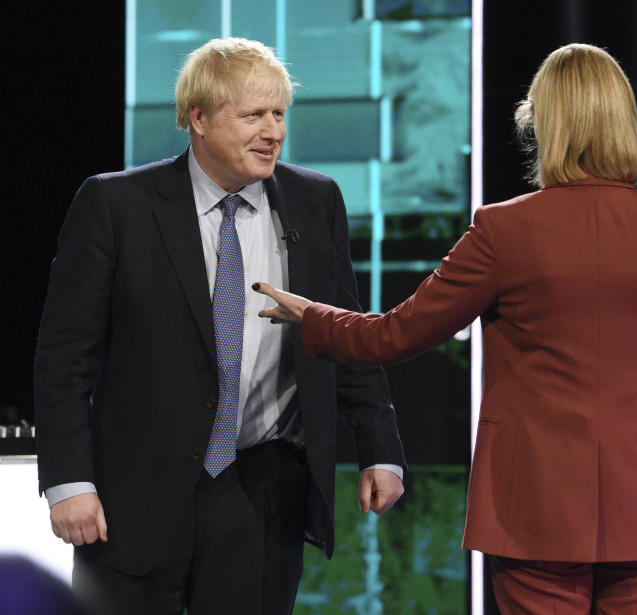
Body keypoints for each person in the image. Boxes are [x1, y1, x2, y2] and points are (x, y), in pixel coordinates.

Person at [253, 43, 637, 615]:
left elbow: (390, 337)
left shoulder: (502, 230)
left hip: (537, 511)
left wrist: (313, 315)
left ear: (544, 124)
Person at [34, 37, 406, 615]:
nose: (273, 132)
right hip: (133, 495)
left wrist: (380, 448)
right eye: (253, 115)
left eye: (279, 114)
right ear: (198, 119)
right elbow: (64, 356)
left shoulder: (315, 201)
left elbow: (342, 330)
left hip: (262, 489)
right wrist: (69, 482)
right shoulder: (116, 204)